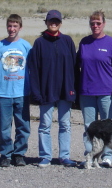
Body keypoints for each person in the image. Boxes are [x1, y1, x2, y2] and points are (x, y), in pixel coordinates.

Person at [77, 10, 112, 168]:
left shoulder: (111, 43)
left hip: (107, 91)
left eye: (98, 23)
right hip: (86, 91)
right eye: (92, 23)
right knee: (89, 126)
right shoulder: (84, 42)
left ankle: (107, 156)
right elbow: (77, 65)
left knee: (107, 126)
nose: (95, 26)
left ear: (104, 24)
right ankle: (90, 155)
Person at [28, 10, 78, 168]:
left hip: (65, 90)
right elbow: (34, 70)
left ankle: (64, 156)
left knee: (65, 124)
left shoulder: (68, 41)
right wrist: (36, 92)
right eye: (51, 21)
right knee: (44, 125)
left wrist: (74, 88)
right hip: (46, 90)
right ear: (46, 22)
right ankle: (45, 156)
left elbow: (75, 68)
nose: (53, 23)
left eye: (56, 21)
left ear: (60, 23)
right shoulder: (39, 43)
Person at [0, 14, 32, 167]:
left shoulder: (26, 46)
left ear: (20, 28)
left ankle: (19, 153)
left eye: (15, 26)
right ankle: (6, 154)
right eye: (10, 26)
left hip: (21, 92)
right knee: (4, 127)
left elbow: (31, 69)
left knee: (23, 126)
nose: (12, 29)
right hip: (3, 93)